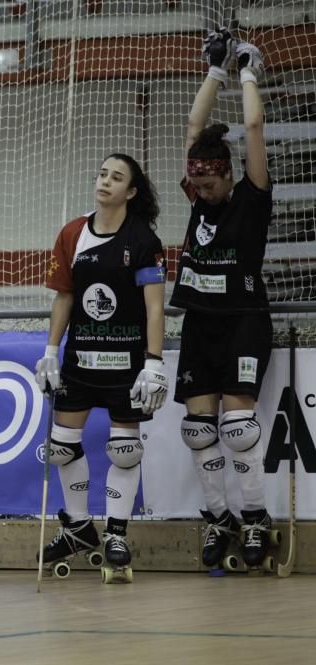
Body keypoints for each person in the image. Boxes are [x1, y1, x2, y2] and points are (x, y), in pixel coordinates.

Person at [35, 154, 167, 582]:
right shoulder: (73, 232)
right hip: (79, 362)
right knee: (61, 446)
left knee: (125, 450)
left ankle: (116, 534)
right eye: (102, 174)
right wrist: (51, 351)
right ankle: (77, 529)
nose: (105, 181)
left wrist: (153, 362)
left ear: (131, 192)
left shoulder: (143, 240)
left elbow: (153, 308)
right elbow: (65, 297)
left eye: (116, 177)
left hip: (126, 365)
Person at [172, 31, 274, 571]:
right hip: (200, 324)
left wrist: (246, 69)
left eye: (210, 185)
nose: (201, 193)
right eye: (197, 185)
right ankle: (218, 517)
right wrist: (214, 71)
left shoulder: (251, 200)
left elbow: (253, 126)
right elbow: (194, 130)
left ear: (229, 176)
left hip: (243, 323)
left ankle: (256, 516)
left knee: (236, 428)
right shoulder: (198, 193)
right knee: (197, 430)